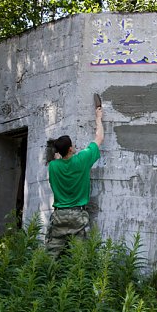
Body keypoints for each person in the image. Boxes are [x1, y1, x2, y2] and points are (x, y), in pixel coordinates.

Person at [45, 106, 104, 258]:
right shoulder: (82, 160)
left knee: (51, 255)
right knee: (79, 257)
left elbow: (58, 160)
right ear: (71, 149)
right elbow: (99, 138)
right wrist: (98, 117)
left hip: (59, 215)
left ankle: (49, 277)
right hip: (78, 214)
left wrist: (60, 156)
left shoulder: (53, 166)